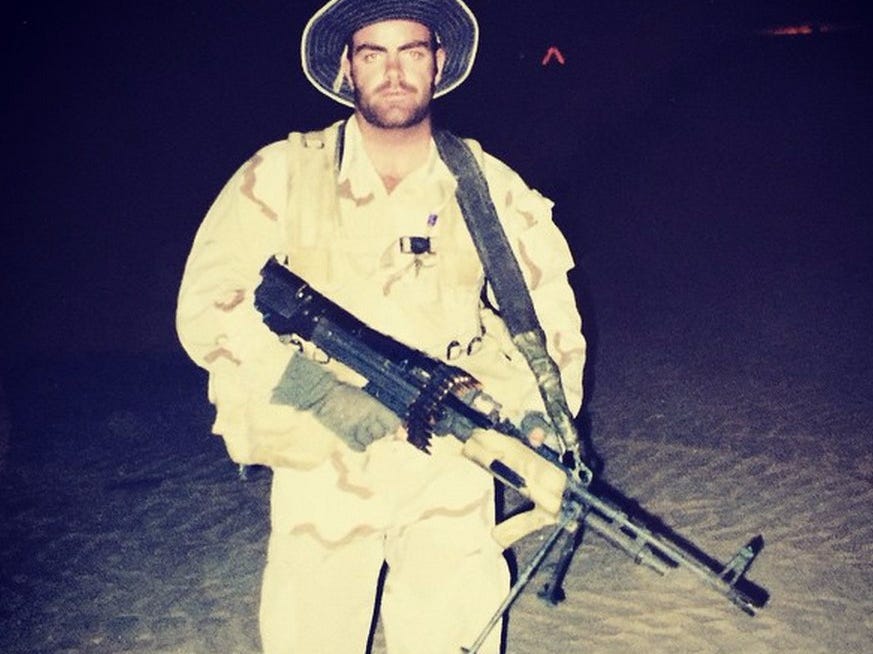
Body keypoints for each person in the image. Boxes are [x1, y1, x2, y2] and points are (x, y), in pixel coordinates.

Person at [176, 1, 586, 652]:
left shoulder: (484, 183)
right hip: (323, 466)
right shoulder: (284, 173)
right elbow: (207, 302)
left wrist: (541, 422)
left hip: (452, 460)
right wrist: (316, 391)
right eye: (374, 53)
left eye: (411, 52)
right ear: (348, 66)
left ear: (438, 62)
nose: (394, 72)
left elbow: (548, 318)